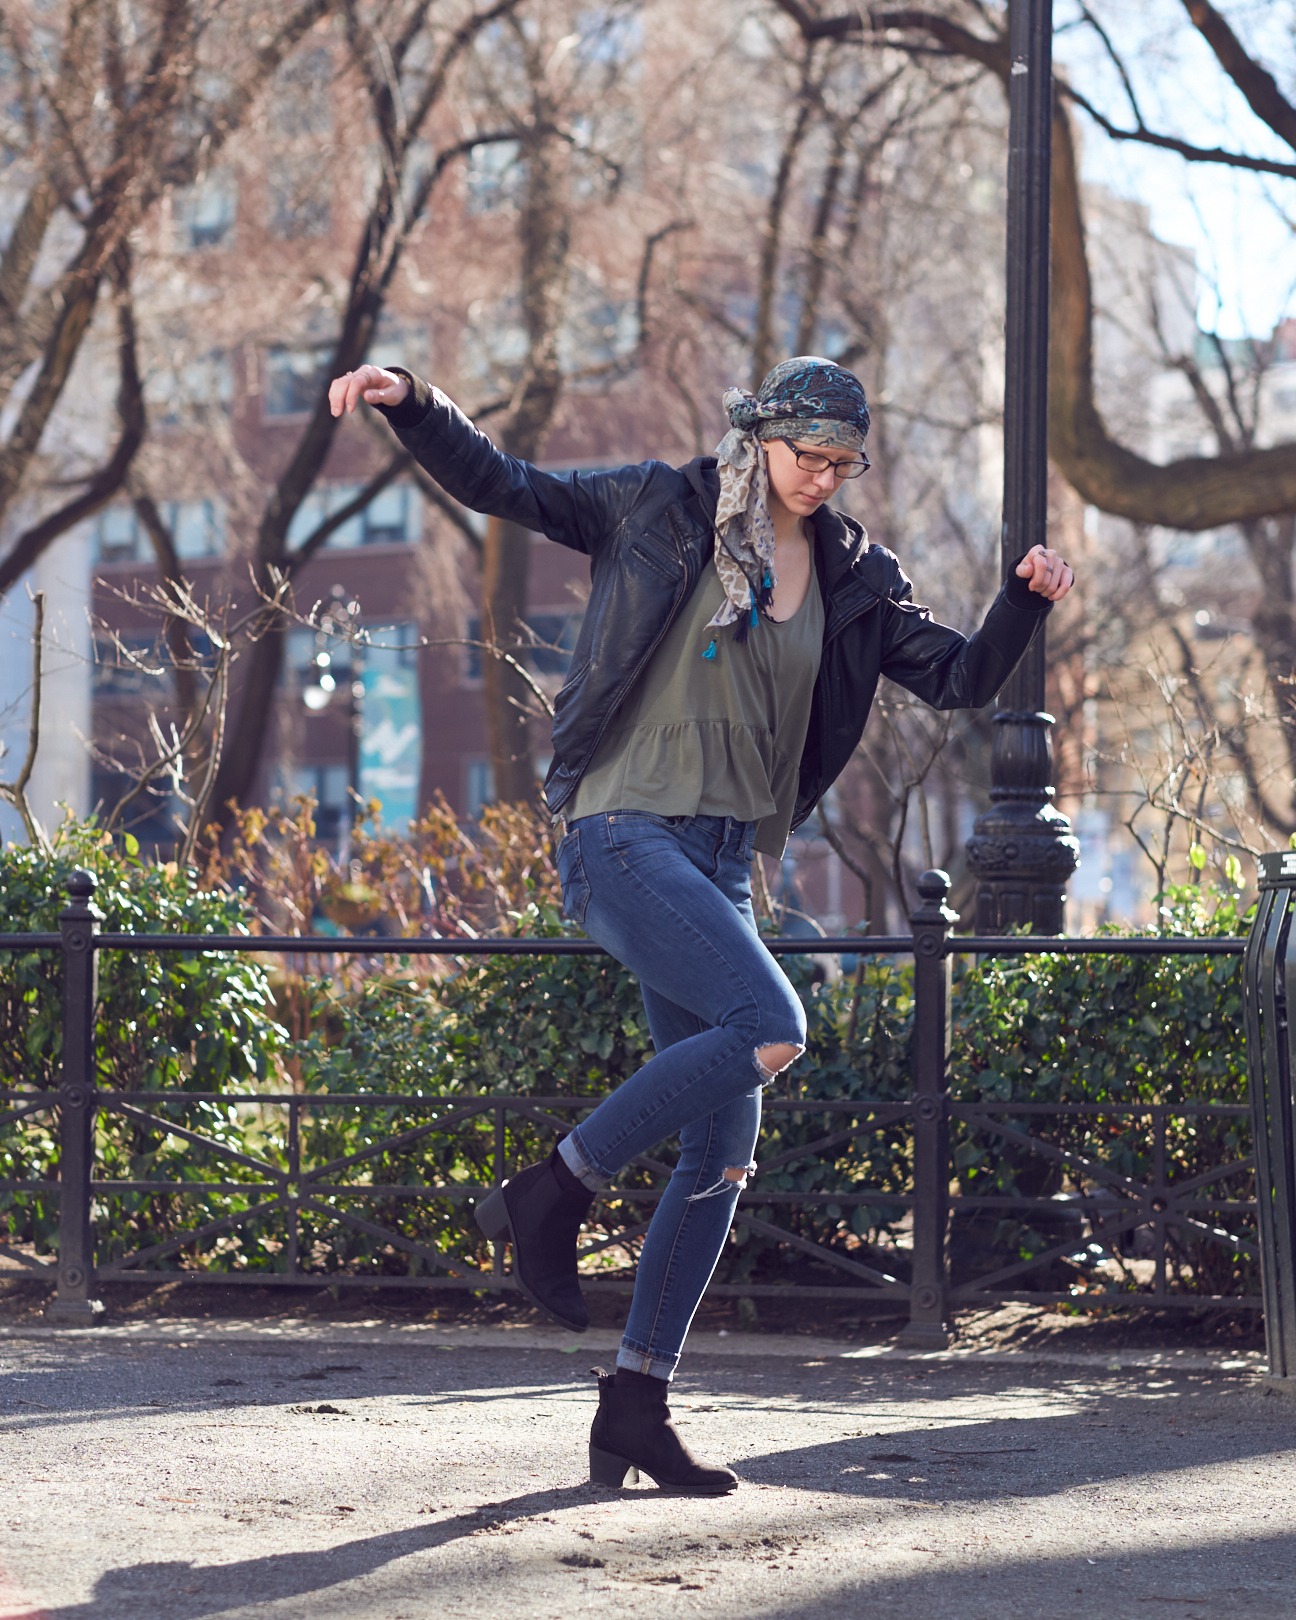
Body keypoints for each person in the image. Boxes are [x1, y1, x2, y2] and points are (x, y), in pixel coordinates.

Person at [328, 355, 1073, 1495]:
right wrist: (415, 403)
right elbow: (505, 485)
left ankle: (635, 1402)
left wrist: (1023, 597)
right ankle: (553, 1188)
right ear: (760, 435)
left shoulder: (858, 579)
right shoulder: (656, 506)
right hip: (621, 832)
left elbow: (965, 679)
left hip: (722, 861)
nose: (822, 477)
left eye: (842, 461)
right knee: (772, 1022)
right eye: (807, 453)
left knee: (723, 1149)